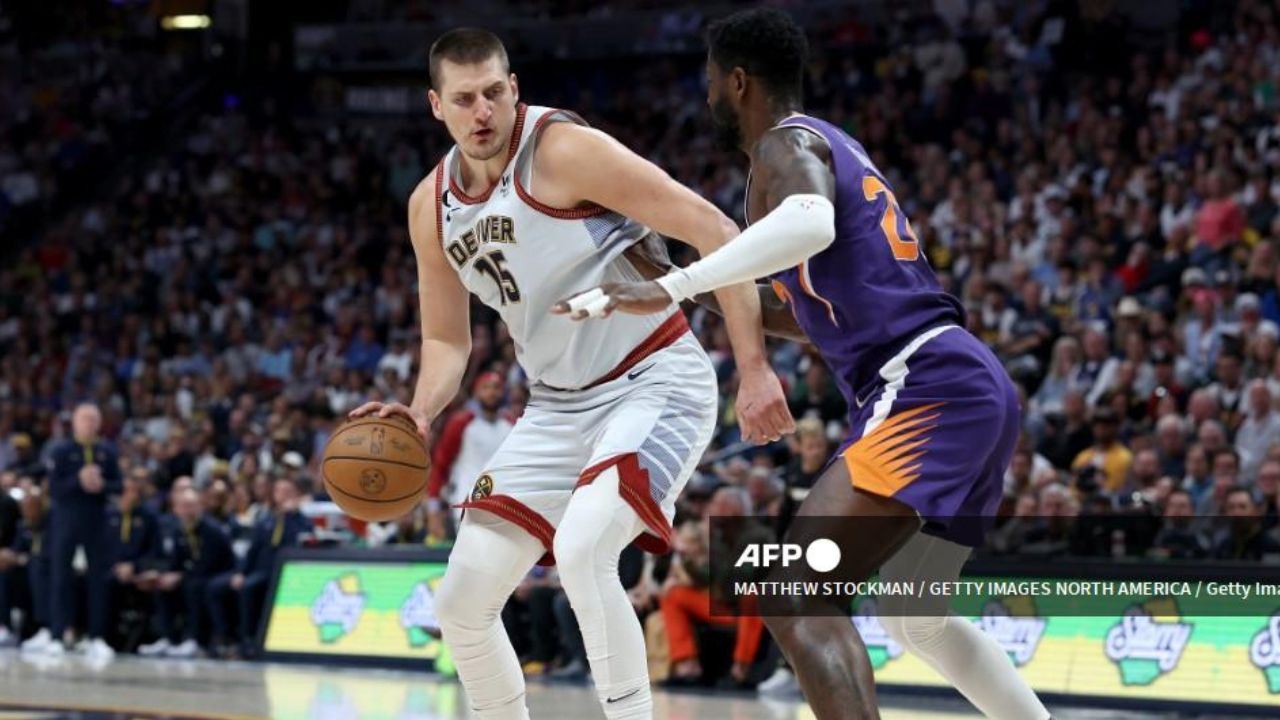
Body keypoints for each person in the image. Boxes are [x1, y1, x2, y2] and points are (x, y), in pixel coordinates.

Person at [563, 8, 1049, 719]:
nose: (704, 97)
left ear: (735, 82)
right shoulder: (829, 145)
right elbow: (809, 312)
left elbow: (812, 222)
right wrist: (692, 285)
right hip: (963, 385)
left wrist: (672, 285)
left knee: (796, 589)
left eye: (708, 81)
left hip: (925, 387)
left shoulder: (784, 148)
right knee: (916, 614)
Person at [350, 27, 793, 720]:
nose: (483, 112)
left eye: (495, 92)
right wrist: (422, 411)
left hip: (655, 378)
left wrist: (755, 368)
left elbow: (712, 228)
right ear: (437, 106)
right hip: (556, 407)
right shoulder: (429, 207)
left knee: (585, 550)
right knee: (461, 602)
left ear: (514, 88)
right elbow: (444, 339)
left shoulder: (562, 150)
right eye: (465, 99)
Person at [46, 403, 122, 660]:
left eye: (93, 420)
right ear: (75, 423)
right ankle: (58, 634)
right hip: (67, 520)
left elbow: (118, 485)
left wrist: (102, 485)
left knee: (98, 579)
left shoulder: (106, 452)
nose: (89, 424)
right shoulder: (61, 451)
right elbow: (54, 489)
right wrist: (77, 481)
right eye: (84, 419)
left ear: (99, 424)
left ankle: (97, 636)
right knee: (61, 578)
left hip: (96, 521)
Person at [426, 371, 514, 524]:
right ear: (476, 392)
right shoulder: (461, 423)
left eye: (496, 387)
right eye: (486, 388)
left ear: (503, 392)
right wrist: (433, 506)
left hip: (505, 505)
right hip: (466, 504)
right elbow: (441, 464)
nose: (491, 392)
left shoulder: (511, 424)